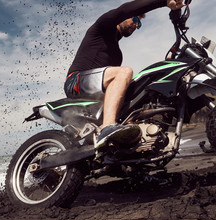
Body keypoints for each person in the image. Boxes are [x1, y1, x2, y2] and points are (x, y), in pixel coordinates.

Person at [64, 0, 185, 150]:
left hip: (97, 91)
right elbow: (123, 10)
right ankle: (107, 127)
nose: (136, 25)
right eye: (134, 19)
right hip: (76, 81)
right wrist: (164, 2)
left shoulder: (117, 54)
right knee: (125, 72)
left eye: (139, 24)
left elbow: (117, 87)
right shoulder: (102, 28)